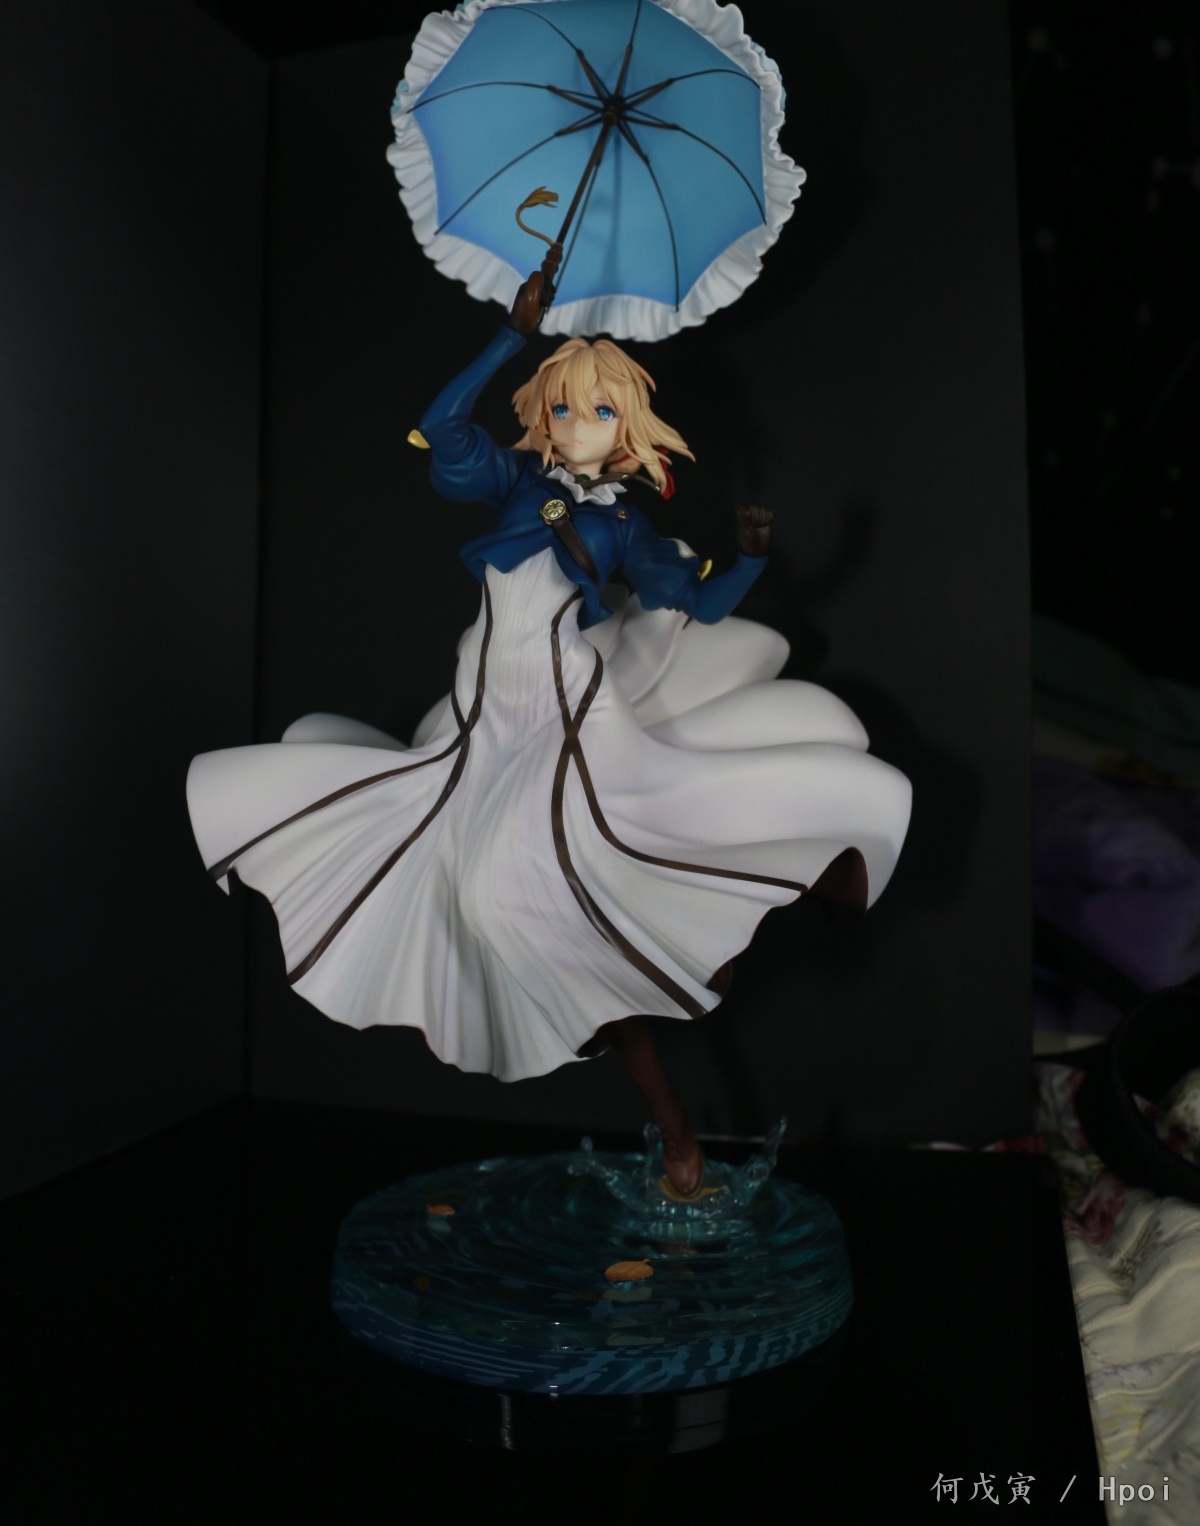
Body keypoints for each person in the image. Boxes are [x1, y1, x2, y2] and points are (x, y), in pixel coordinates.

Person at [187, 273, 912, 1200]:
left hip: (566, 713)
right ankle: (668, 1101)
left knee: (519, 888)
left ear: (628, 430)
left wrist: (752, 558)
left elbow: (698, 604)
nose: (575, 423)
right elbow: (441, 427)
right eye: (562, 406)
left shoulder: (624, 525)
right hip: (483, 710)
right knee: (451, 871)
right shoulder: (516, 481)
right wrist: (508, 337)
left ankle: (699, 971)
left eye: (599, 410)